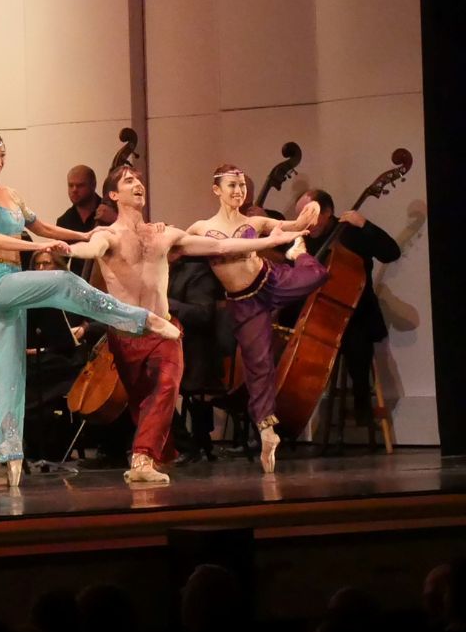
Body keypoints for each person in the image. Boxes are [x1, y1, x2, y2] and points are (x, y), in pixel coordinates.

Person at [0, 130, 179, 488]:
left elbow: (42, 226)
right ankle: (141, 319)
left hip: (13, 278)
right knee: (64, 283)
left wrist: (84, 235)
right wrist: (37, 247)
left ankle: (11, 455)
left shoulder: (11, 195)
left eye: (1, 155)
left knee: (9, 370)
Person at [77, 165, 299, 484]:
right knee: (142, 402)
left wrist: (269, 242)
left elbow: (220, 246)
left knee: (166, 386)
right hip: (125, 334)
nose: (138, 183)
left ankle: (141, 459)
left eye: (138, 178)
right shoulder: (106, 235)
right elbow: (90, 249)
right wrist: (69, 248)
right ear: (113, 195)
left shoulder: (164, 234)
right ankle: (155, 452)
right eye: (128, 181)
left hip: (164, 330)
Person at [186, 165, 324, 471]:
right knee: (259, 363)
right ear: (216, 190)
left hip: (270, 279)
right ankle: (266, 430)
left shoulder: (255, 222)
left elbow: (296, 224)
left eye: (242, 186)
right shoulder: (201, 228)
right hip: (244, 302)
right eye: (232, 185)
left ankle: (297, 255)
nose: (238, 191)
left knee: (318, 274)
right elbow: (175, 247)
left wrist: (310, 209)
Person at [297, 188, 402, 432]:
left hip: (356, 313)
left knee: (355, 339)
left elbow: (391, 252)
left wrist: (365, 224)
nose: (305, 222)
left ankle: (361, 404)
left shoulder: (351, 232)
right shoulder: (304, 238)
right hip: (320, 316)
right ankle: (289, 407)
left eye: (309, 214)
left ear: (327, 212)